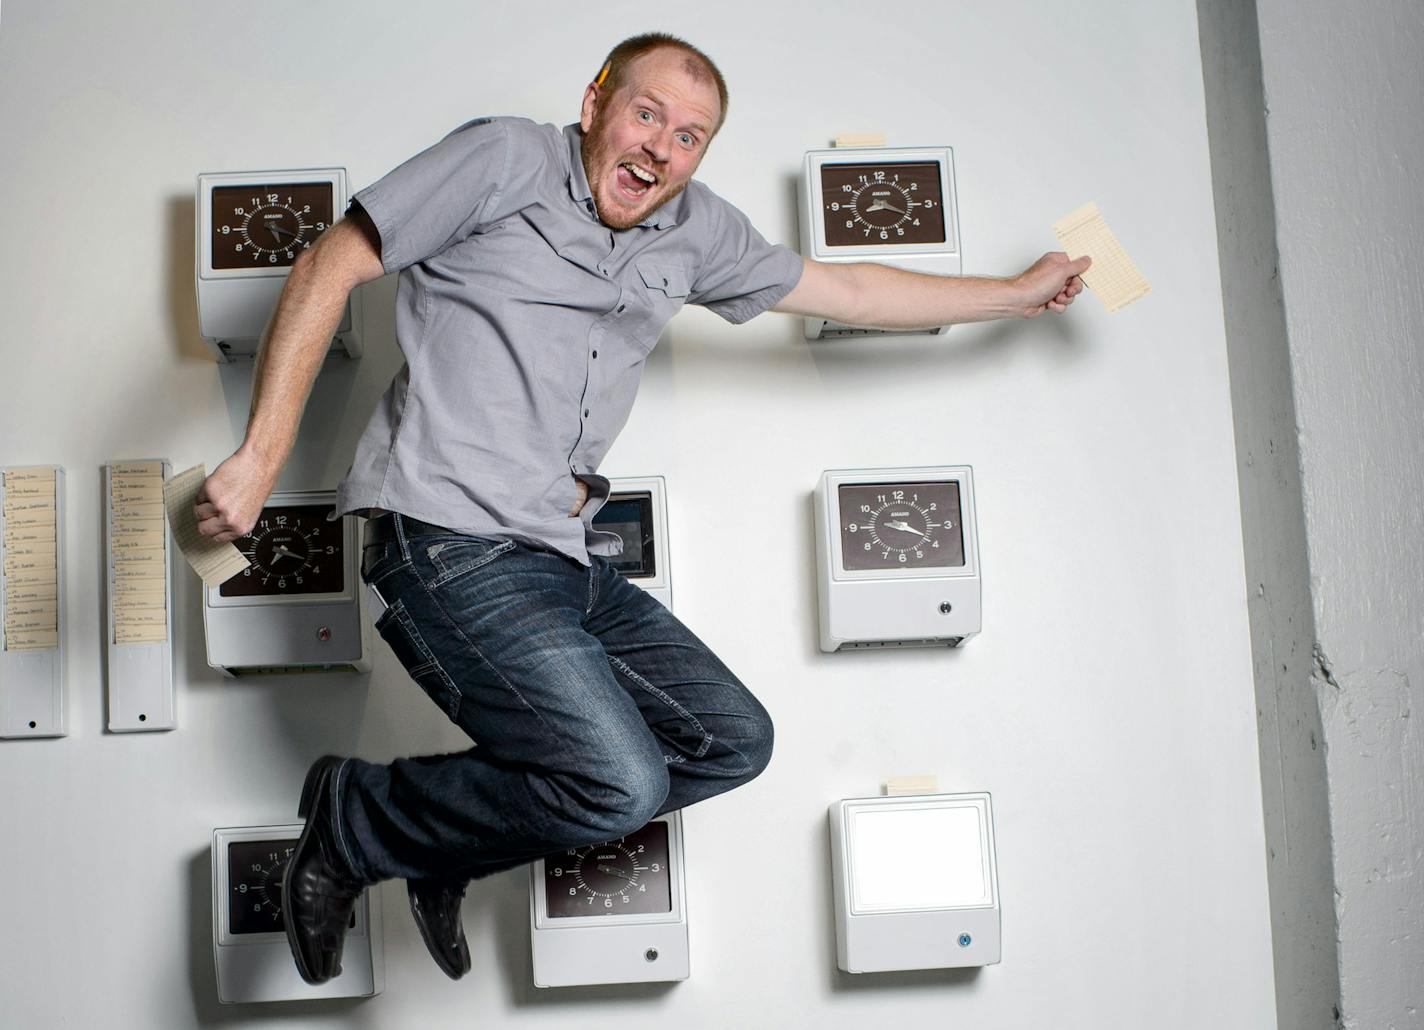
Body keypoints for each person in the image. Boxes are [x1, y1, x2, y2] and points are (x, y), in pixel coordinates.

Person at [195, 32, 1089, 986]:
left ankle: (441, 844)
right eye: (649, 113)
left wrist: (1016, 292)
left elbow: (853, 286)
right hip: (448, 541)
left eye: (691, 136)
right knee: (621, 780)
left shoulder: (697, 230)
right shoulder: (505, 159)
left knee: (732, 740)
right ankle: (357, 819)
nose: (663, 148)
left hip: (562, 559)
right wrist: (260, 455)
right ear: (597, 103)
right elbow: (332, 261)